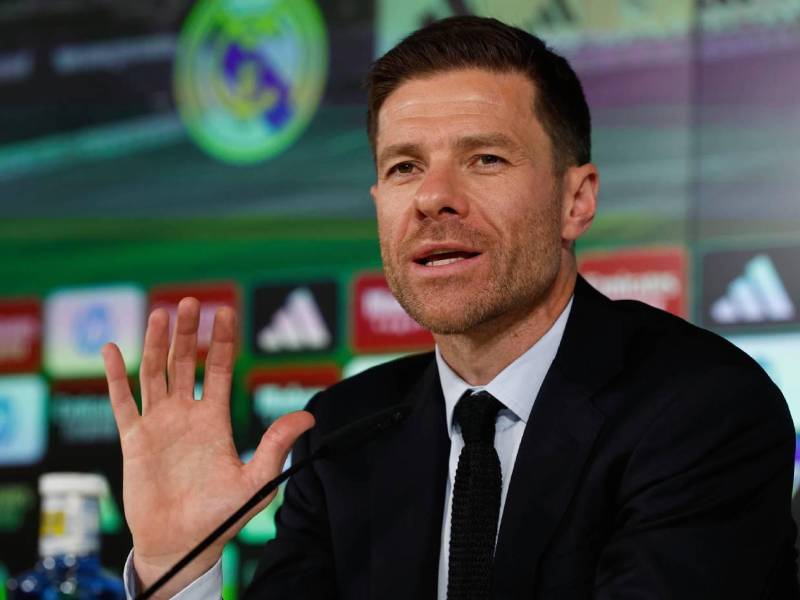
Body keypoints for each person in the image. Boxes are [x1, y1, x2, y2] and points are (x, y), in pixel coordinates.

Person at [103, 16, 799, 600]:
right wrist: (181, 569)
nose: (433, 197)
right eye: (404, 167)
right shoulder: (343, 432)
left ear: (576, 200)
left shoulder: (702, 408)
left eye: (485, 159)